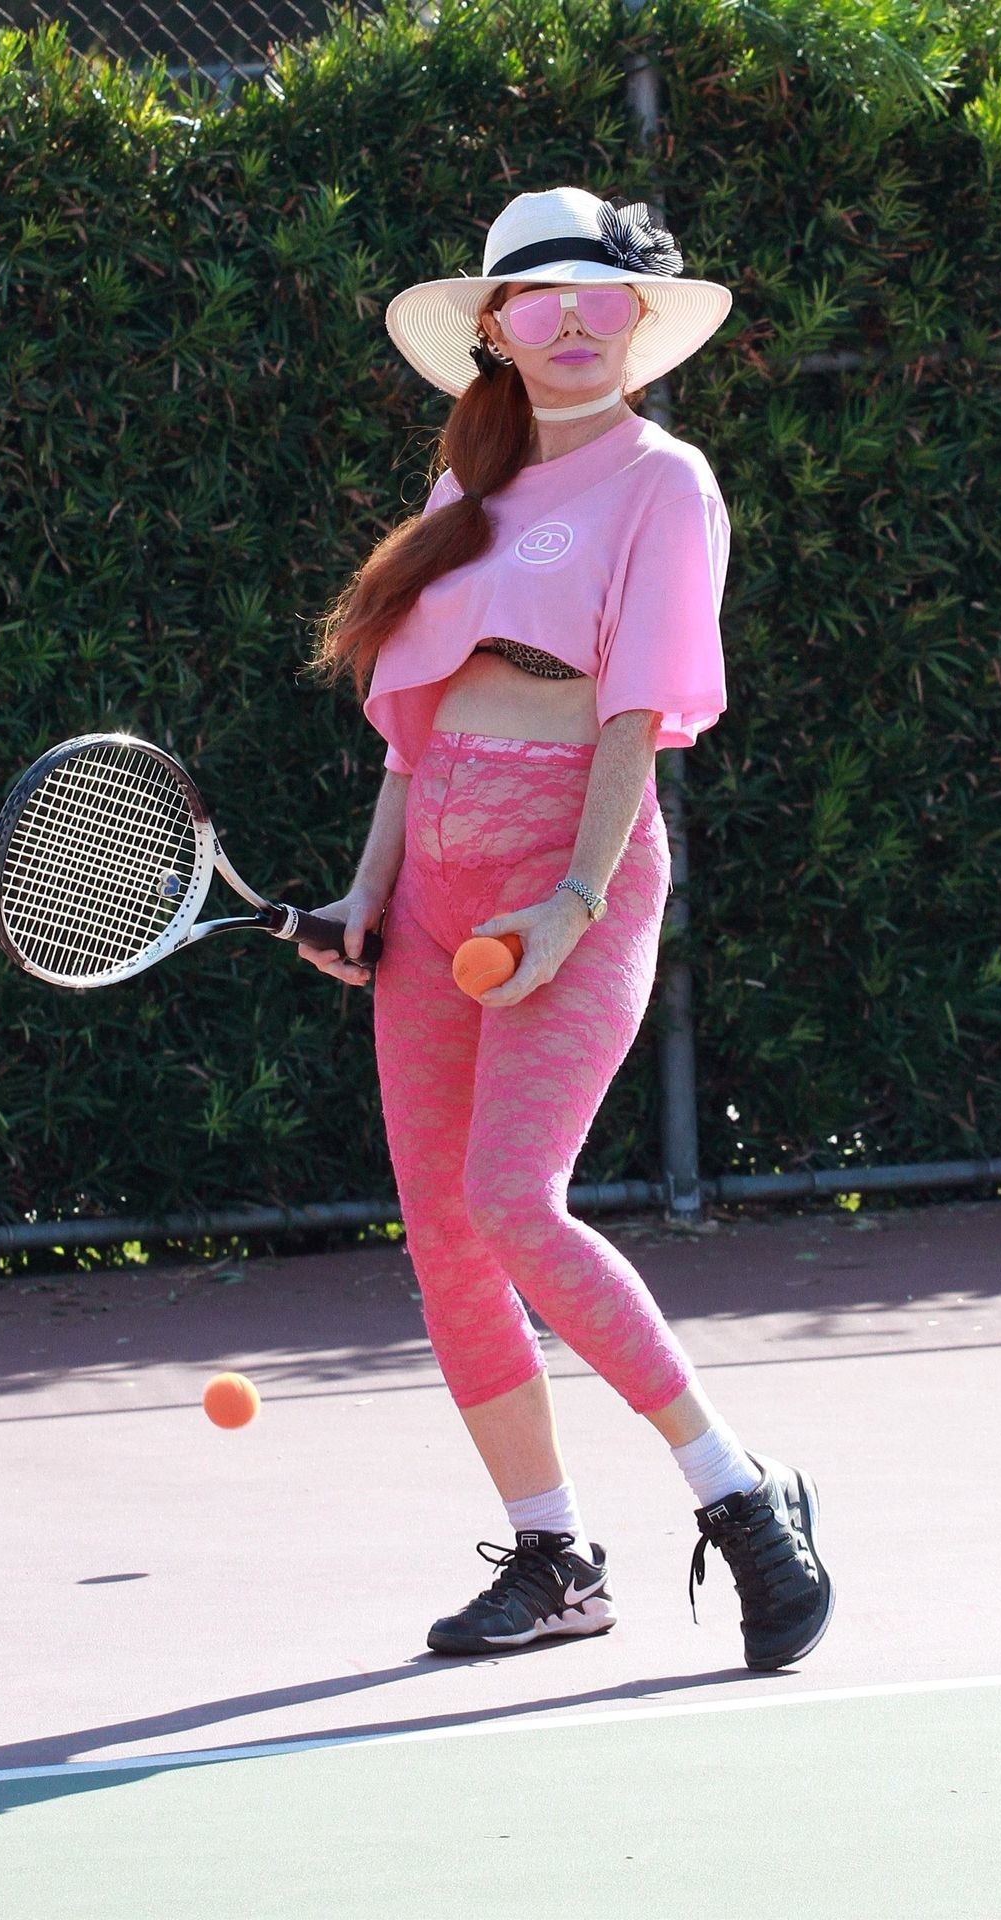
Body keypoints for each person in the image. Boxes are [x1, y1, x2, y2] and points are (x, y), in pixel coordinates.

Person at [299, 186, 834, 1671]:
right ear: (496, 329)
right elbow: (411, 735)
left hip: (573, 880)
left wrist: (572, 901)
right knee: (446, 1234)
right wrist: (366, 892)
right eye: (542, 299)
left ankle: (739, 1495)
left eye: (604, 297)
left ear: (640, 322)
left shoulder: (667, 481)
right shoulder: (462, 489)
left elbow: (635, 715)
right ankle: (554, 1562)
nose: (577, 322)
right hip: (433, 893)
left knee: (516, 1201)